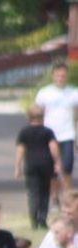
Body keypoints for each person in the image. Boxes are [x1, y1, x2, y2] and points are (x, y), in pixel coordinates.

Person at [34, 62, 78, 203]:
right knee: (52, 170)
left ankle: (68, 197)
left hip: (67, 135)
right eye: (58, 75)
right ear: (53, 76)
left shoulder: (73, 93)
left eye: (63, 75)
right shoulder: (44, 93)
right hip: (49, 135)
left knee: (67, 167)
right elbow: (36, 114)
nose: (61, 78)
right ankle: (54, 197)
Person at [14, 105, 62, 229]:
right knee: (45, 192)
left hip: (31, 165)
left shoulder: (24, 132)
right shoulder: (48, 131)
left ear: (29, 117)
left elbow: (20, 150)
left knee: (33, 192)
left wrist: (18, 166)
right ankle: (42, 219)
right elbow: (53, 148)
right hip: (46, 164)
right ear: (42, 117)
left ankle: (33, 219)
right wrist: (57, 162)